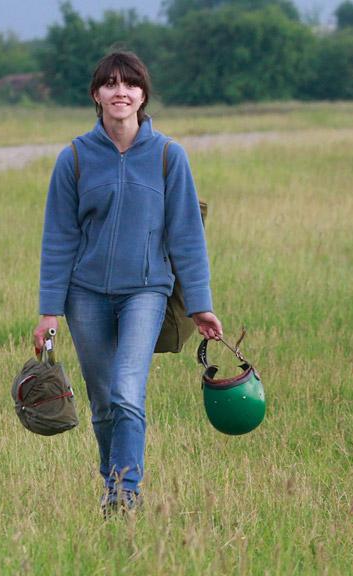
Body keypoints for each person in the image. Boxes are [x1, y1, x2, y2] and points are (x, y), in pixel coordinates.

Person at [32, 51, 222, 516]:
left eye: (130, 84)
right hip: (85, 296)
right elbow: (58, 239)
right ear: (96, 95)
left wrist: (200, 305)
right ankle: (110, 481)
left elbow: (186, 237)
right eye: (111, 84)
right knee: (102, 403)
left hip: (146, 292)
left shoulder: (168, 157)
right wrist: (48, 311)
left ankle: (125, 492)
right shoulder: (74, 158)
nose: (121, 92)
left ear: (142, 95)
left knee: (126, 390)